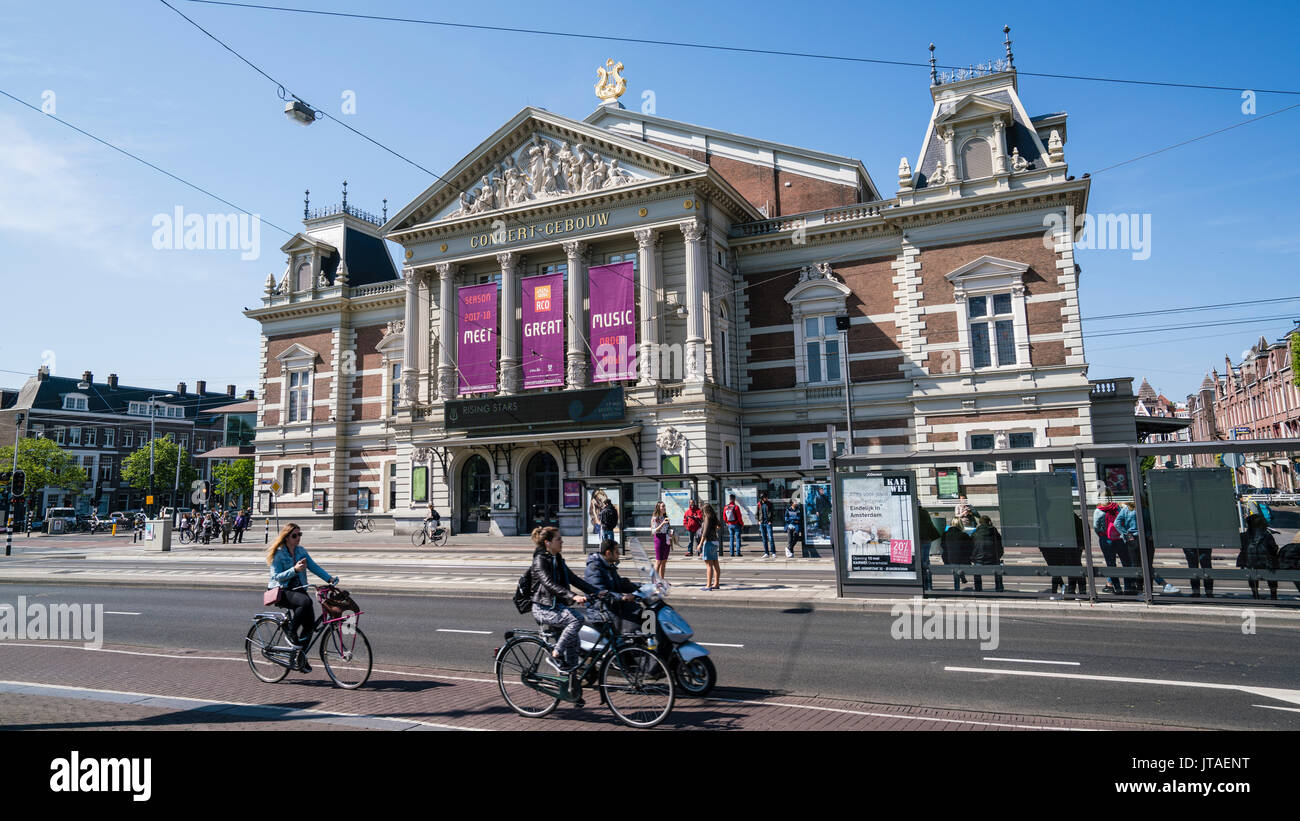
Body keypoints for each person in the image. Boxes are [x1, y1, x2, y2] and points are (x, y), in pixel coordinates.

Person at [265, 523, 339, 673]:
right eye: (294, 535)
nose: (298, 538)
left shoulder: (300, 551)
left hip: (298, 590)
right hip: (281, 590)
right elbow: (276, 577)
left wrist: (330, 579)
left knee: (310, 625)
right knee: (306, 601)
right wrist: (294, 570)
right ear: (286, 537)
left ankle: (300, 658)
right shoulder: (279, 554)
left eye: (300, 535)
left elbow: (314, 567)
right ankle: (292, 632)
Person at [529, 526, 598, 673]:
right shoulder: (540, 560)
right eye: (558, 539)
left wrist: (597, 592)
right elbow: (548, 584)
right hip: (543, 608)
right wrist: (573, 596)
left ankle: (570, 682)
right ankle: (556, 654)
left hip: (555, 606)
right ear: (548, 542)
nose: (562, 541)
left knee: (574, 643)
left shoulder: (557, 559)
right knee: (577, 619)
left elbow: (574, 579)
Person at [584, 538, 640, 634]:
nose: (619, 554)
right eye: (617, 551)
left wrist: (643, 586)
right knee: (634, 622)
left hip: (612, 604)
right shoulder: (594, 568)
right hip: (600, 609)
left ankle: (646, 643)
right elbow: (600, 593)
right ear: (608, 553)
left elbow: (620, 584)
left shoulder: (608, 566)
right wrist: (622, 597)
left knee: (642, 611)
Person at [1238, 513, 1279, 600]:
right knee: (1272, 570)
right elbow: (1274, 549)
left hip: (1249, 563)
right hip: (1266, 564)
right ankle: (1273, 595)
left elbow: (1242, 549)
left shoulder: (1244, 536)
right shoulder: (1267, 535)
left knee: (1251, 571)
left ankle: (1255, 594)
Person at [1092, 499, 1127, 593]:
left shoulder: (1098, 510)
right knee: (1126, 563)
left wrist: (1101, 534)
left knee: (1111, 564)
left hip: (1106, 539)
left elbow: (1096, 526)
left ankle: (1117, 588)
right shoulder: (1117, 507)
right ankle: (1128, 588)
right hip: (1119, 538)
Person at [969, 515, 1005, 592]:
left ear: (980, 523)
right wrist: (999, 555)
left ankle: (978, 589)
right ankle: (999, 588)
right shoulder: (994, 532)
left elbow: (971, 546)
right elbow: (1000, 544)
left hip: (979, 559)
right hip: (993, 557)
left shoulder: (975, 533)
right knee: (998, 572)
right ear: (989, 522)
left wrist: (972, 557)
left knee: (977, 573)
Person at [940, 517, 974, 590]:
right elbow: (969, 547)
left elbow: (942, 546)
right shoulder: (963, 535)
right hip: (962, 559)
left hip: (949, 558)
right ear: (960, 524)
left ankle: (957, 586)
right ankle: (961, 576)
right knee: (959, 563)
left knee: (954, 564)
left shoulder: (945, 534)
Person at [917, 505, 941, 591]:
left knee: (921, 562)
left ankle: (924, 584)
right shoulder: (924, 512)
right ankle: (929, 585)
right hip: (927, 539)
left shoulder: (914, 512)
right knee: (926, 561)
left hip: (919, 540)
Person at [700, 503, 722, 590]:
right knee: (715, 563)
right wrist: (714, 530)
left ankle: (708, 585)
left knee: (709, 565)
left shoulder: (707, 518)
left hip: (709, 542)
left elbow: (704, 533)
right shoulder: (714, 517)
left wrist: (700, 544)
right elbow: (719, 526)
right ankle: (716, 584)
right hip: (715, 542)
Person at [650, 501, 671, 581]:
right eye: (662, 506)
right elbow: (653, 531)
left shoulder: (666, 517)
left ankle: (662, 580)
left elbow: (668, 528)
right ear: (658, 508)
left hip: (666, 539)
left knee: (664, 561)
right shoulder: (655, 518)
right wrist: (662, 524)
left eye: (664, 506)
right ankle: (654, 581)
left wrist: (670, 532)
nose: (664, 508)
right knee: (658, 561)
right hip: (658, 538)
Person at [757, 493, 775, 557]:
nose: (766, 498)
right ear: (762, 498)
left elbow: (773, 513)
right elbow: (756, 514)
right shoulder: (759, 504)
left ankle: (773, 553)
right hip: (762, 523)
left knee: (770, 538)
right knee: (764, 539)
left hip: (768, 523)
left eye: (766, 497)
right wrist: (759, 521)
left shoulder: (770, 504)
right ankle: (766, 553)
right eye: (765, 497)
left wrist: (770, 521)